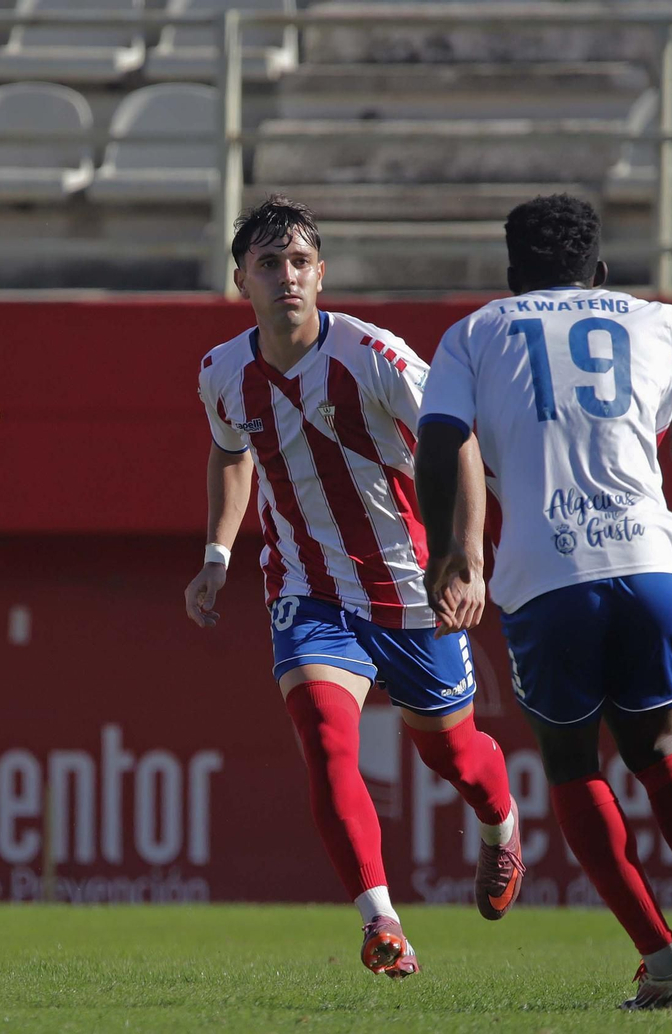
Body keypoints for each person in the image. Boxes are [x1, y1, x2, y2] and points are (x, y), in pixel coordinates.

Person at [413, 194, 672, 1010]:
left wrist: (452, 554)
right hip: (648, 562)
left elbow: (441, 439)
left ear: (513, 275)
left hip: (545, 575)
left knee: (571, 765)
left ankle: (664, 967)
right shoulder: (653, 318)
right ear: (601, 271)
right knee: (658, 749)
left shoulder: (477, 332)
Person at [183, 196, 524, 980]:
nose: (287, 277)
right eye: (269, 263)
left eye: (300, 262)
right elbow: (231, 452)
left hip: (411, 593)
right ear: (241, 279)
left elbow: (458, 441)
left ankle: (501, 828)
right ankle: (382, 924)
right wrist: (217, 554)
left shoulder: (377, 357)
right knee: (328, 742)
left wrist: (467, 559)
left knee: (458, 759)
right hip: (309, 591)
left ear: (321, 274)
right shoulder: (221, 372)